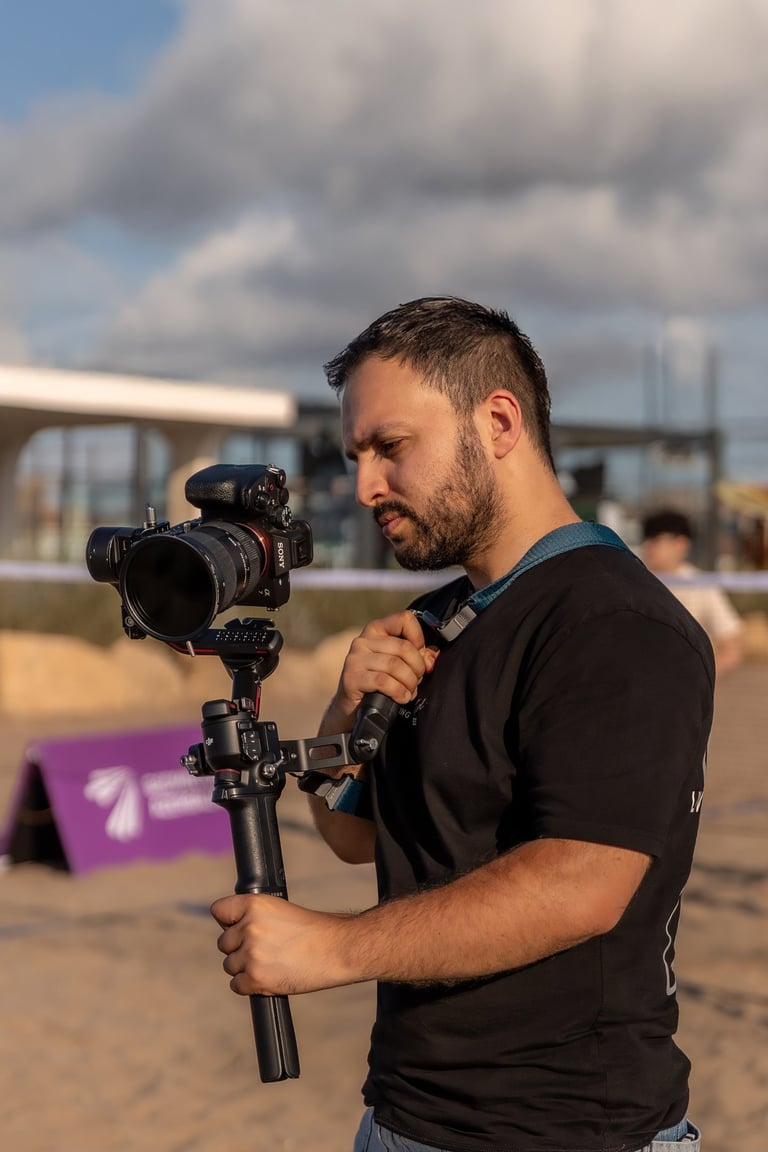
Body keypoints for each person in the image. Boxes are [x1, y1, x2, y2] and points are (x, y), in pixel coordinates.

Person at [211, 297, 713, 1152]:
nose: (365, 486)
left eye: (390, 446)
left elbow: (581, 885)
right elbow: (353, 836)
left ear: (500, 422)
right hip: (405, 1116)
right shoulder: (440, 619)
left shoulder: (614, 623)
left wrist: (333, 949)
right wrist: (343, 712)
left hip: (568, 1131)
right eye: (357, 456)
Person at [641, 507, 744, 676]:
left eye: (655, 539)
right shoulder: (633, 581)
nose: (648, 546)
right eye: (646, 539)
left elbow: (731, 649)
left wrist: (693, 681)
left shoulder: (702, 586)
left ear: (681, 544)